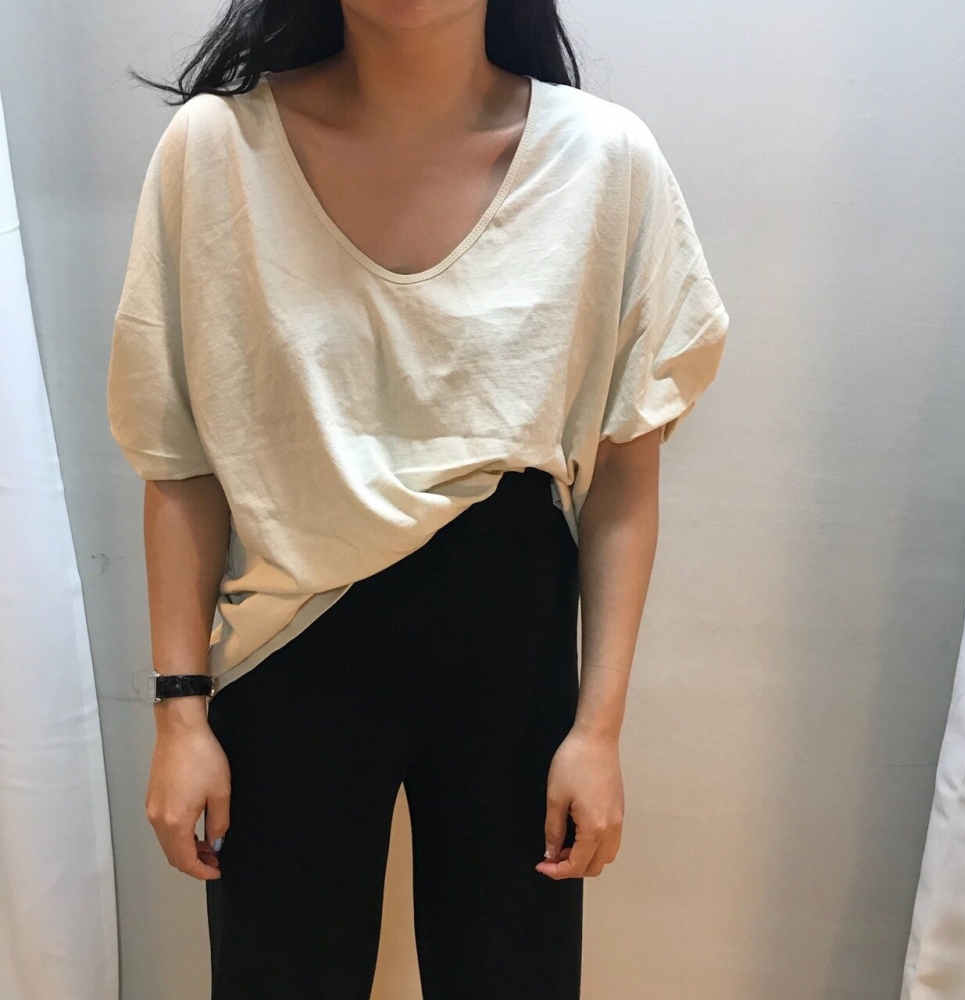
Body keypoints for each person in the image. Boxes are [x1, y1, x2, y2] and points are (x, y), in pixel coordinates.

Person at [106, 1, 730, 997]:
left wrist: (597, 729)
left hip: (512, 652)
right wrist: (179, 716)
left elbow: (625, 465)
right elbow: (179, 459)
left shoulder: (605, 162)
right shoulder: (216, 151)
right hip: (287, 652)